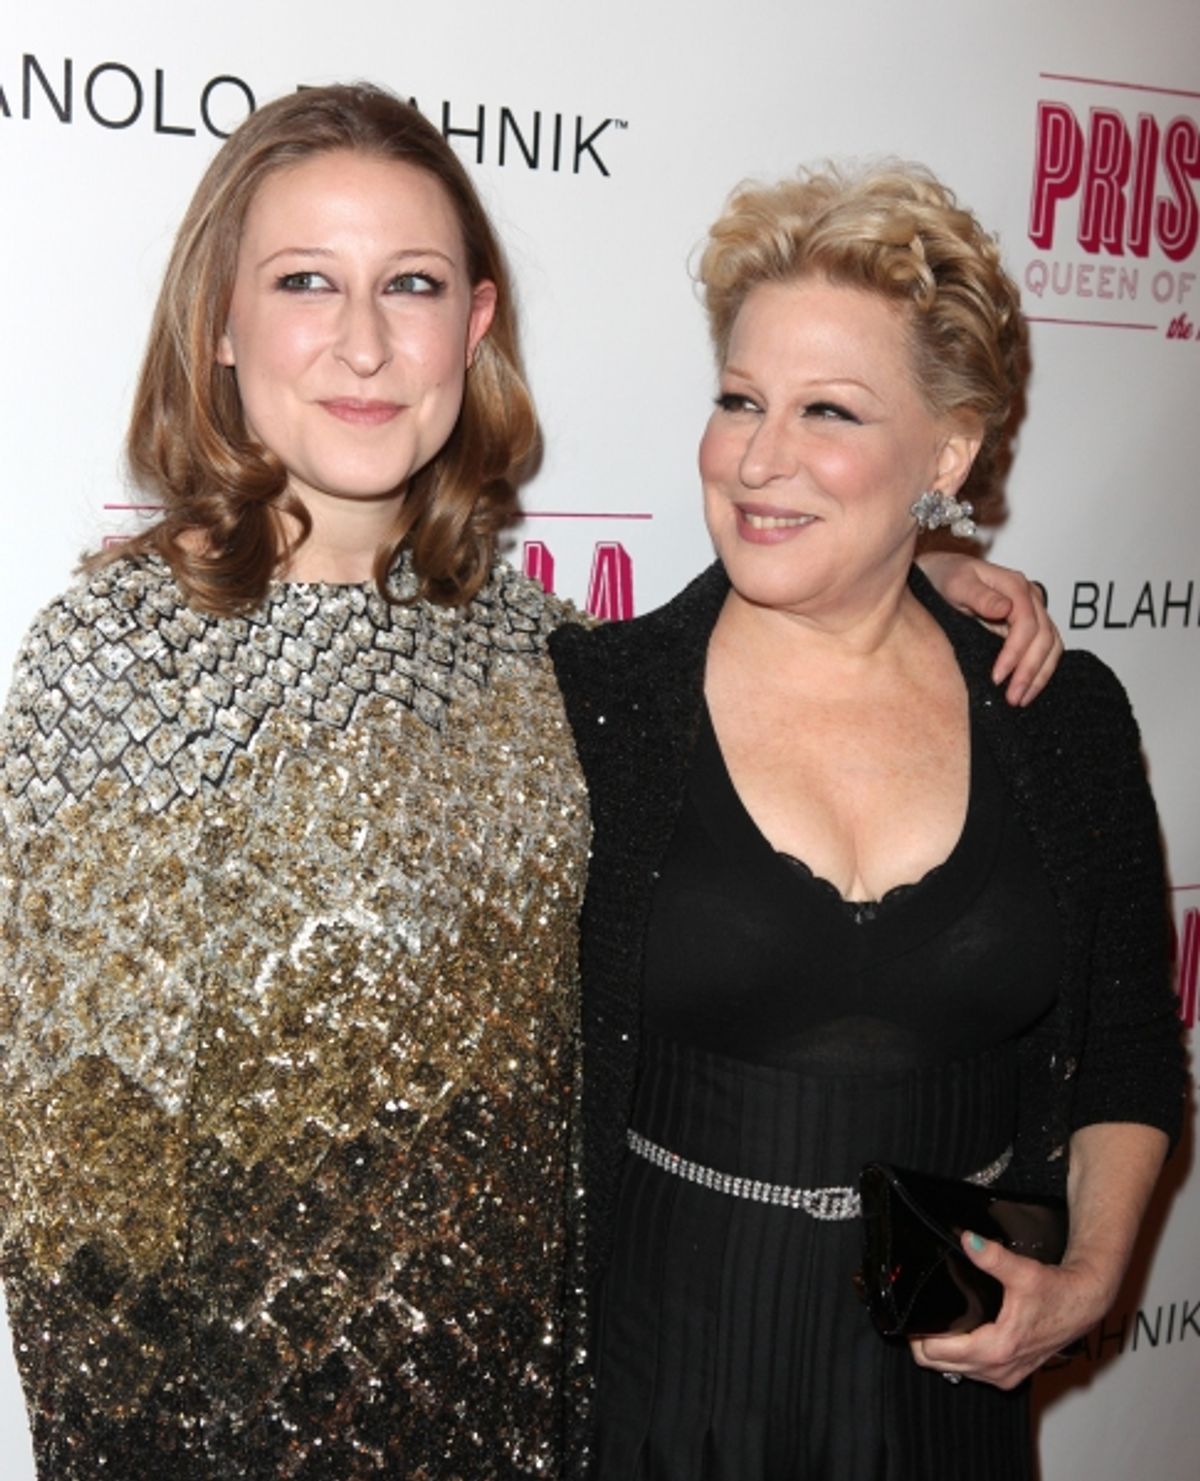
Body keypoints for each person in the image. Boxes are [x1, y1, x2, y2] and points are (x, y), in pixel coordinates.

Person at [0, 84, 1058, 1477]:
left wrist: (910, 560)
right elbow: (83, 1217)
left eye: (414, 285)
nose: (366, 342)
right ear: (220, 326)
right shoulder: (119, 658)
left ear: (475, 325)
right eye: (306, 281)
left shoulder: (542, 653)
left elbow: (743, 634)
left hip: (544, 1431)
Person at [549, 163, 1186, 1480]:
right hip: (663, 1392)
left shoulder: (1057, 718)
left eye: (828, 411)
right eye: (738, 400)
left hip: (945, 1401)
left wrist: (1090, 1276)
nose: (757, 459)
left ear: (946, 452)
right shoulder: (597, 709)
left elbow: (1128, 1039)